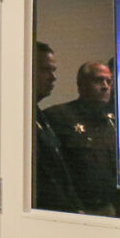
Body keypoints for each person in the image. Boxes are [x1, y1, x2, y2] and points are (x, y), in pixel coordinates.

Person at [45, 61, 120, 216]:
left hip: (108, 207)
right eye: (98, 80)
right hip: (73, 209)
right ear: (81, 84)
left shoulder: (113, 122)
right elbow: (51, 170)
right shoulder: (58, 117)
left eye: (109, 82)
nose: (105, 86)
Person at [32, 41, 81, 213]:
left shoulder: (39, 116)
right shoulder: (18, 119)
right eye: (46, 70)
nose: (53, 77)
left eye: (54, 70)